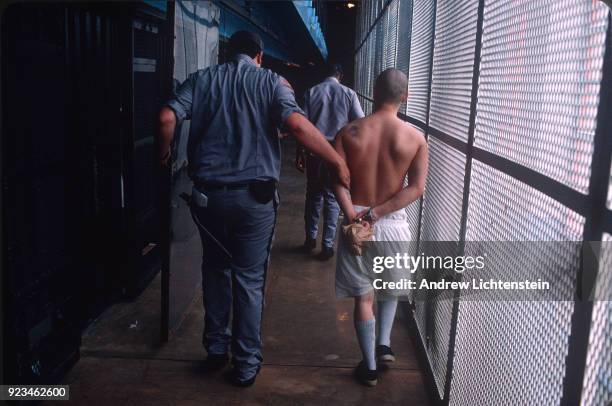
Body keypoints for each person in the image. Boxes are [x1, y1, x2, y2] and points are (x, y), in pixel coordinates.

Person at [158, 31, 350, 387]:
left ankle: (216, 348)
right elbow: (295, 124)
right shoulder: (272, 82)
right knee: (247, 279)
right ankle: (245, 365)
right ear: (259, 56)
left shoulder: (201, 79)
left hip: (207, 199)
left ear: (227, 53)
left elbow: (167, 118)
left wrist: (164, 153)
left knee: (215, 269)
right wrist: (336, 161)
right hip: (253, 201)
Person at [332, 68, 428, 386]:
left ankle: (370, 367)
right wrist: (378, 213)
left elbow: (338, 182)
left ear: (373, 91)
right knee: (390, 287)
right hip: (392, 220)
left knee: (363, 296)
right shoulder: (414, 138)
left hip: (356, 219)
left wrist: (353, 215)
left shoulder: (348, 133)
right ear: (405, 96)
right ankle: (384, 343)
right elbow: (416, 188)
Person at [296, 62, 364, 260]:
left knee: (313, 197)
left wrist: (300, 153)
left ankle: (310, 238)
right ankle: (327, 245)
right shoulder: (349, 94)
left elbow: (302, 127)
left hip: (315, 154)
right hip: (337, 157)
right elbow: (359, 124)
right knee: (333, 199)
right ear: (340, 75)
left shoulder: (311, 93)